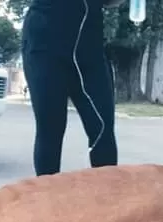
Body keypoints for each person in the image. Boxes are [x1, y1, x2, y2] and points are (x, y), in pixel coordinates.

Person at [21, 0, 122, 176]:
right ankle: (48, 199)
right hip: (45, 44)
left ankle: (108, 199)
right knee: (50, 128)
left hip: (89, 47)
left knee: (102, 128)